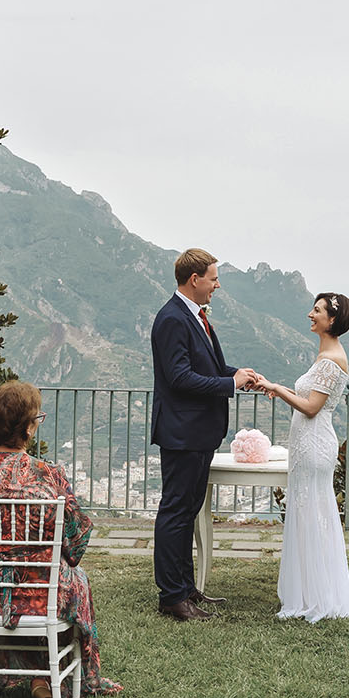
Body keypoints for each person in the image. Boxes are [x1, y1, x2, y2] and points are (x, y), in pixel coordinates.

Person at [0, 381, 122, 697]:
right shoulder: (49, 474)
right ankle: (52, 674)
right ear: (27, 428)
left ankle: (16, 673)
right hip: (43, 594)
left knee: (39, 578)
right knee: (74, 577)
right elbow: (77, 542)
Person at [150, 248, 264, 621]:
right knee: (175, 512)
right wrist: (228, 383)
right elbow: (179, 377)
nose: (217, 285)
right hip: (182, 432)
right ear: (194, 279)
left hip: (198, 432)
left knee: (187, 511)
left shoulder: (194, 316)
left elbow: (208, 367)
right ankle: (171, 597)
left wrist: (237, 374)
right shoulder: (172, 318)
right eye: (213, 278)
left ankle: (186, 589)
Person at [256, 293, 349, 622]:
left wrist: (277, 388)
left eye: (317, 311)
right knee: (307, 514)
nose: (309, 314)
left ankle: (315, 598)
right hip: (307, 445)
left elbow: (312, 408)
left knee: (312, 514)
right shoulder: (326, 354)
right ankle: (312, 591)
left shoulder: (330, 359)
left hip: (314, 445)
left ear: (331, 320)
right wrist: (279, 388)